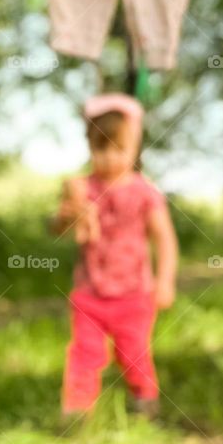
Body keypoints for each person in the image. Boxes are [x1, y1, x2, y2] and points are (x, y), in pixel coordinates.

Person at [51, 94, 178, 418]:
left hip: (134, 292)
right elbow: (60, 229)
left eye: (117, 148)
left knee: (133, 353)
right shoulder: (83, 189)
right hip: (89, 292)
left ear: (134, 146)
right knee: (84, 352)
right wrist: (66, 216)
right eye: (99, 149)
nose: (108, 158)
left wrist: (164, 281)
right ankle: (77, 412)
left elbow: (164, 240)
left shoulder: (144, 192)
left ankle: (145, 400)